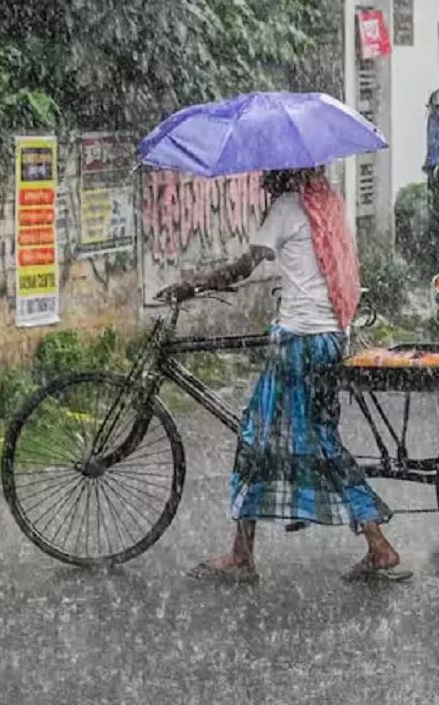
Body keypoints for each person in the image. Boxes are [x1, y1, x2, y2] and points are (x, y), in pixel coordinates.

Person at [158, 167, 408, 584]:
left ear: (280, 177)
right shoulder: (325, 206)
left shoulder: (288, 208)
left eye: (267, 177)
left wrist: (193, 284)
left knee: (259, 438)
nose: (261, 185)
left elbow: (243, 267)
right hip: (328, 339)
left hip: (299, 344)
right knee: (313, 439)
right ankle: (365, 543)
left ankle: (249, 556)